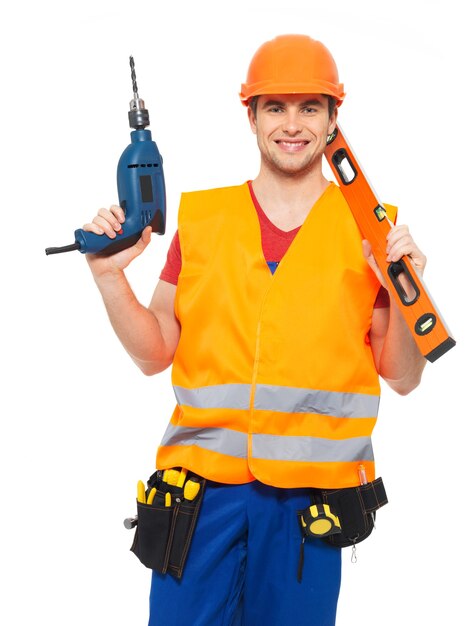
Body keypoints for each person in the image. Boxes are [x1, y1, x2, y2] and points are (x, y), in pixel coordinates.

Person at [83, 34, 427, 626]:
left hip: (308, 510)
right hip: (199, 498)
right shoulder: (205, 221)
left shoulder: (371, 229)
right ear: (250, 116)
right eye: (275, 106)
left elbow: (401, 375)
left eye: (309, 107)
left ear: (332, 119)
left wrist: (403, 291)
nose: (292, 125)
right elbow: (155, 352)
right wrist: (109, 278)